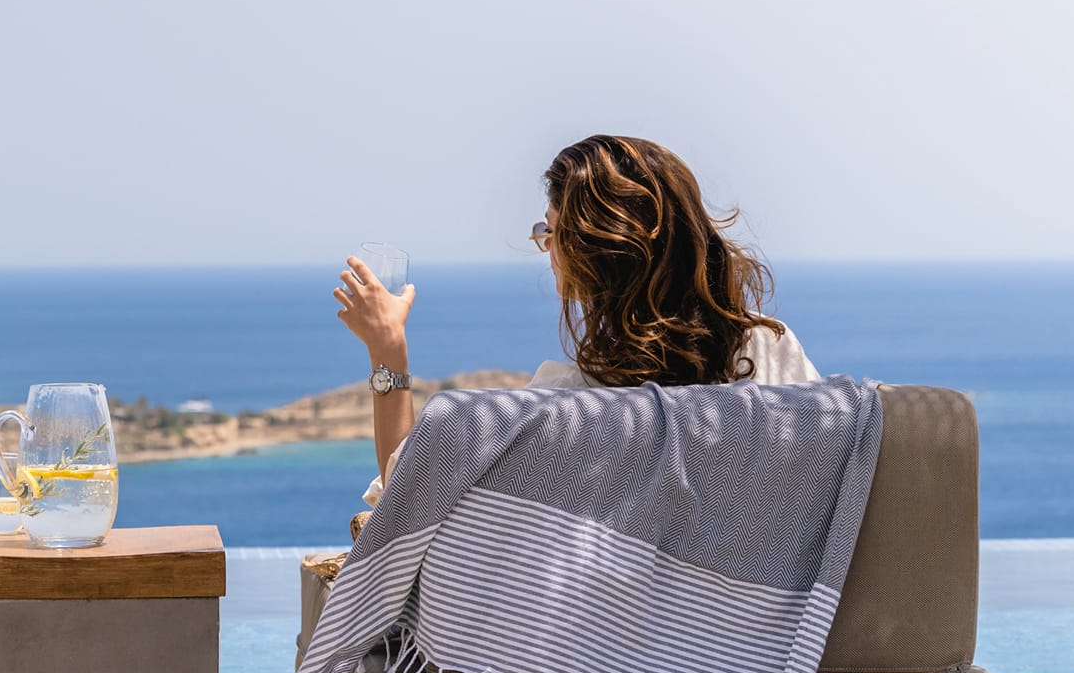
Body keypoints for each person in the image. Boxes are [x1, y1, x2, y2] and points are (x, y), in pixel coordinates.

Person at [339, 134, 821, 506]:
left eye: (552, 232)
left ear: (591, 257)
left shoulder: (566, 408)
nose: (547, 248)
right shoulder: (773, 354)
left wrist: (388, 349)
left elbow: (405, 497)